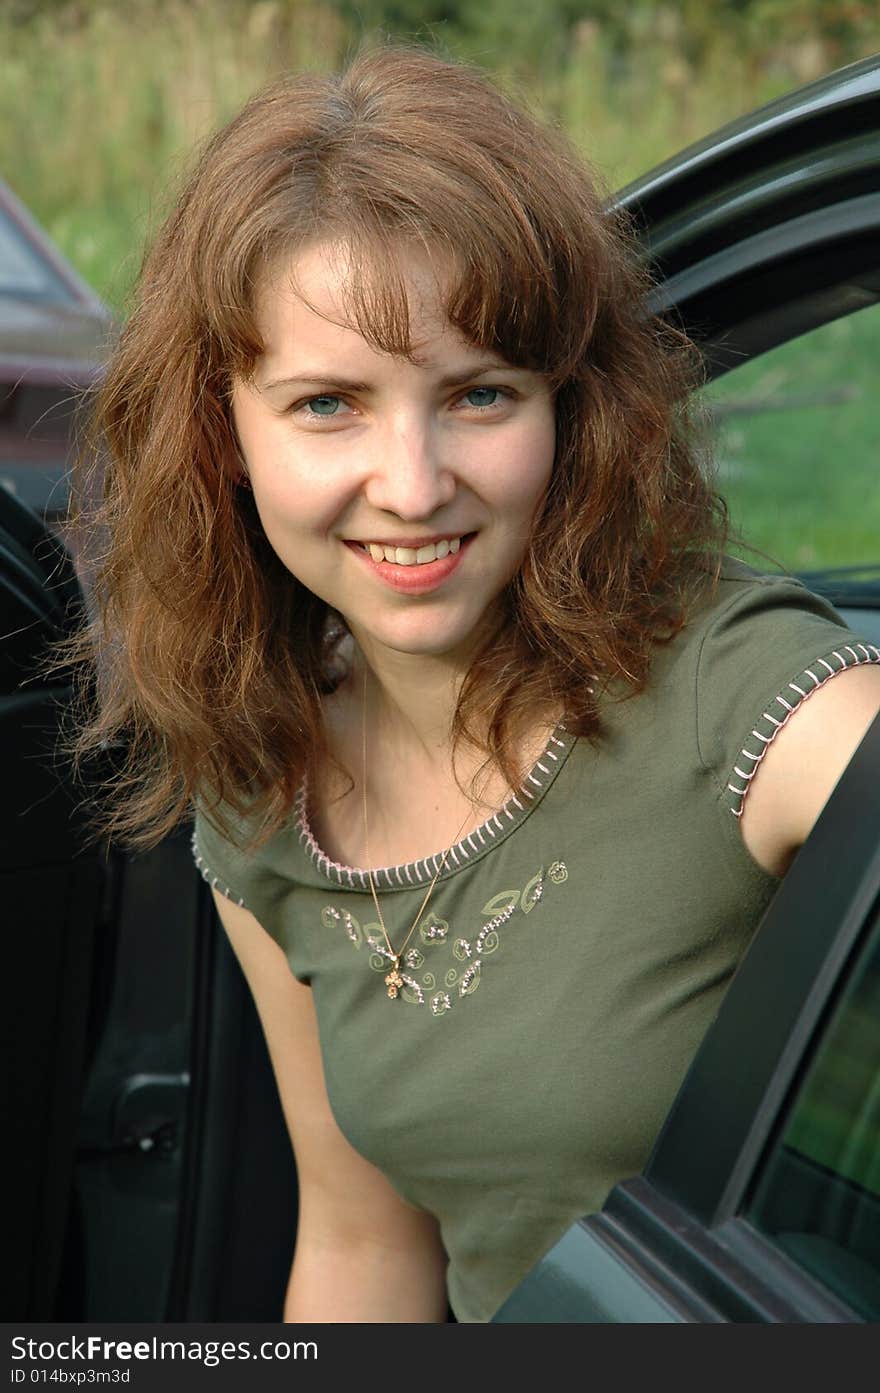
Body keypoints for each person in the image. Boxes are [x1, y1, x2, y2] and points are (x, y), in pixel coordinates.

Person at [48, 44, 880, 1324]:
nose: (415, 482)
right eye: (329, 404)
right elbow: (365, 1247)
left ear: (570, 408)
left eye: (479, 393)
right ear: (222, 432)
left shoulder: (751, 700)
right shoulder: (262, 793)